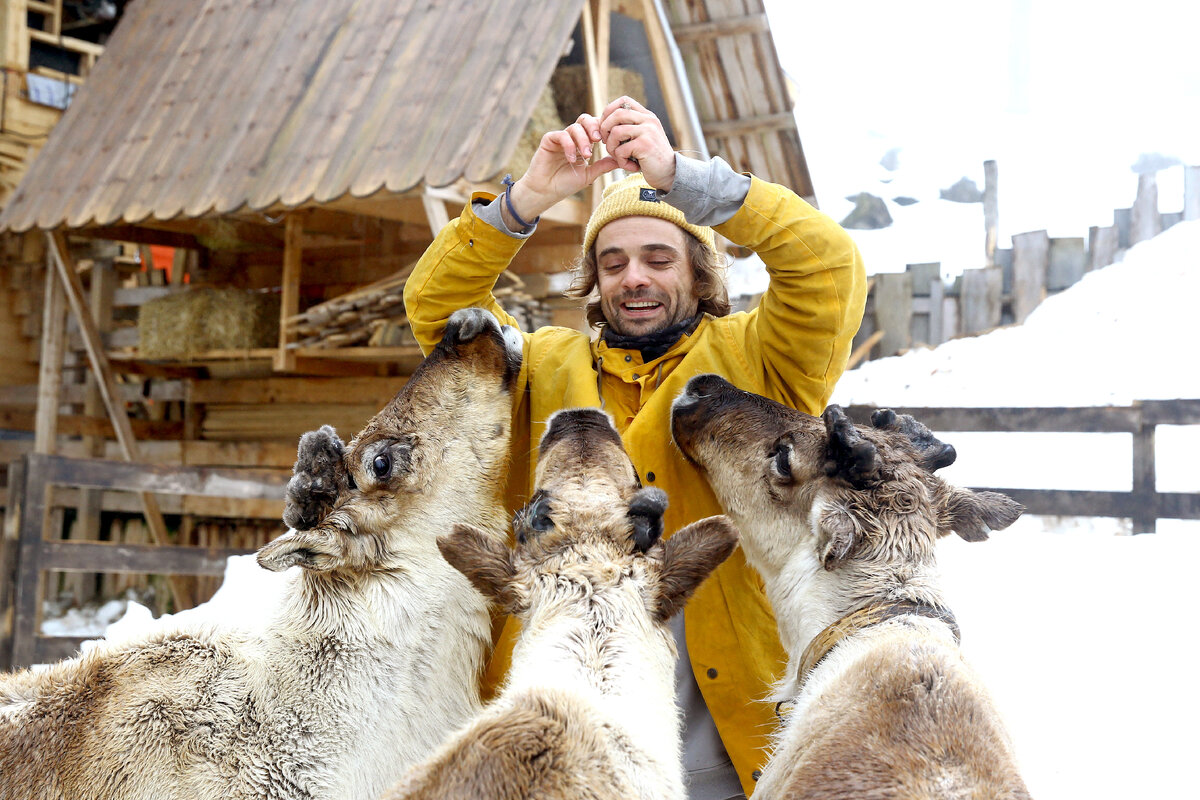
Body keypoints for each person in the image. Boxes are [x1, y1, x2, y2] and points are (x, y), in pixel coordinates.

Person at [403, 96, 867, 798]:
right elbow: (436, 308)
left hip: (723, 719)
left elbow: (828, 267)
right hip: (556, 717)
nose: (635, 278)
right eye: (613, 262)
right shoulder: (539, 367)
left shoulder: (763, 362)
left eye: (658, 258)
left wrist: (685, 179)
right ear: (594, 280)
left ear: (700, 271)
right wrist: (527, 198)